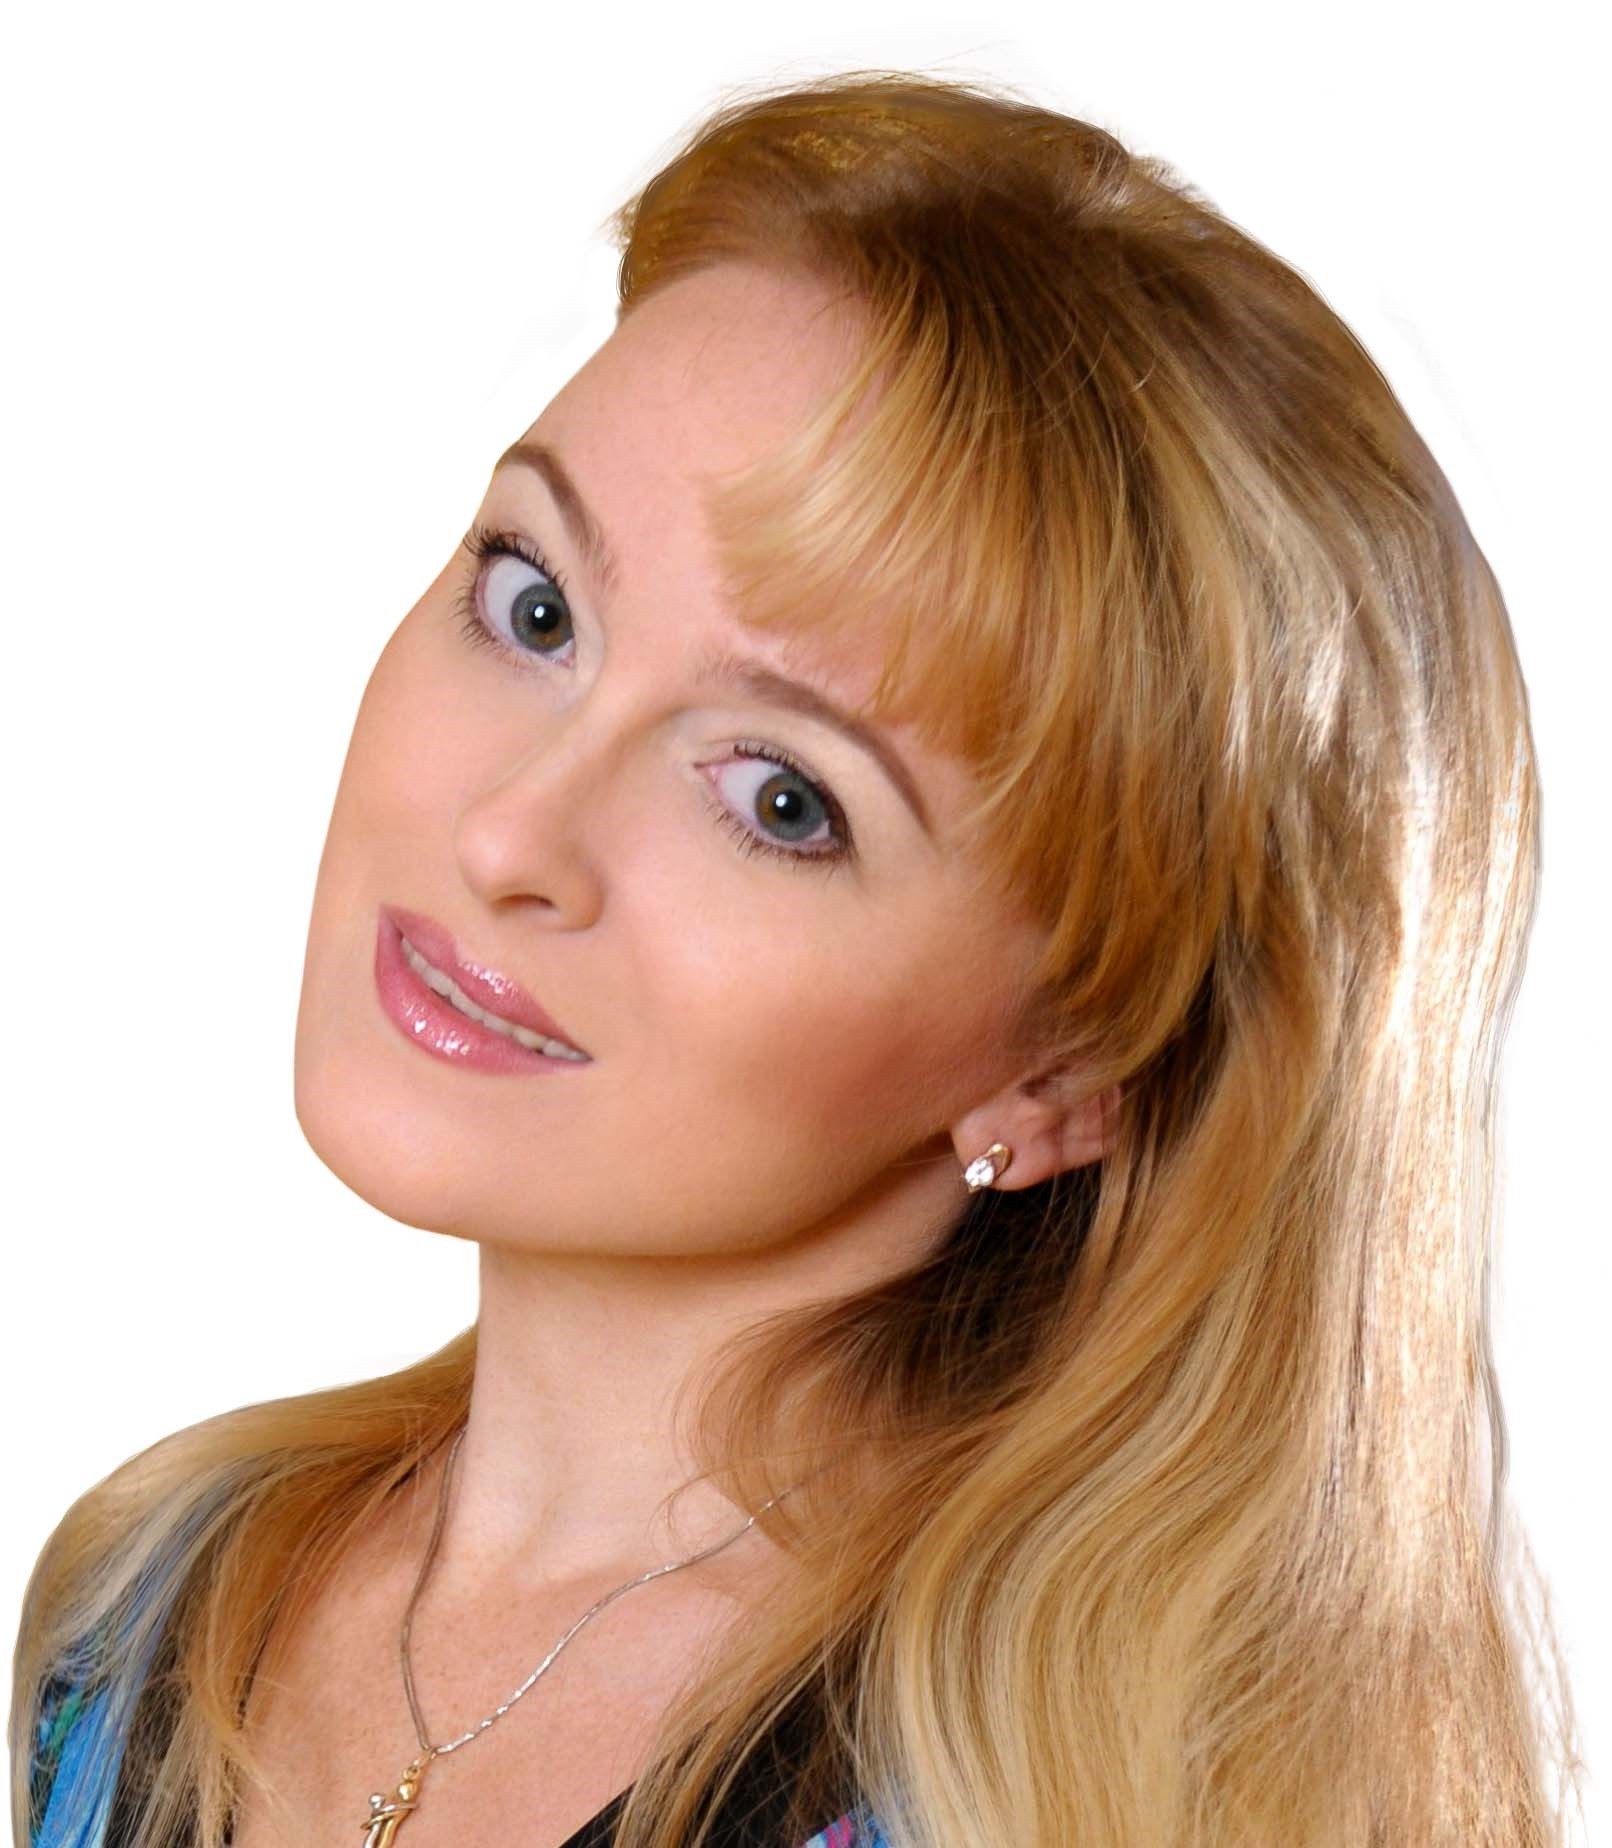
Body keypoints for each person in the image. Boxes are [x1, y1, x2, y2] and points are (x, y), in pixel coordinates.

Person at [10, 68, 1574, 1848]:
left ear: (1067, 1070)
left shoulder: (1038, 1811)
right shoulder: (155, 1606)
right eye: (536, 607)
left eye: (780, 799)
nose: (511, 832)